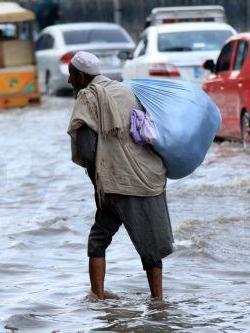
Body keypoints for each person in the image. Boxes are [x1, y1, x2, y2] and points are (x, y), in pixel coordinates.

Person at [67, 51, 174, 300]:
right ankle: (158, 302)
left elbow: (87, 150)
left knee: (97, 241)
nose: (69, 81)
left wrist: (101, 186)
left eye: (72, 76)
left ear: (82, 76)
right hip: (149, 177)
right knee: (150, 248)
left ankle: (99, 300)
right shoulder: (125, 90)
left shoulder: (87, 98)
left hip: (116, 184)